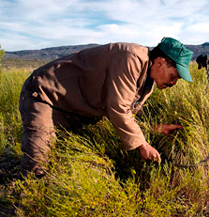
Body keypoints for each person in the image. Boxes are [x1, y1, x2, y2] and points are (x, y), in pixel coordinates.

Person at [19, 37, 193, 177]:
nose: (173, 82)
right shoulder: (131, 57)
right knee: (38, 164)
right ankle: (26, 203)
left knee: (66, 158)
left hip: (75, 106)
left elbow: (130, 113)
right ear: (161, 62)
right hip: (45, 94)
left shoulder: (148, 80)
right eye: (174, 76)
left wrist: (156, 128)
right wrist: (142, 145)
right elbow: (118, 108)